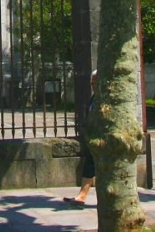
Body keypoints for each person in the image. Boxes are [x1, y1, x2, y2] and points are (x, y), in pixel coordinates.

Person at [63, 70, 97, 208]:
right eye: (91, 82)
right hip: (94, 138)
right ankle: (81, 196)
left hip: (102, 139)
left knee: (93, 166)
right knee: (90, 165)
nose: (91, 84)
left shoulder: (105, 98)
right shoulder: (94, 97)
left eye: (94, 82)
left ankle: (83, 196)